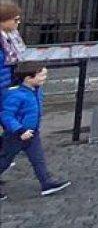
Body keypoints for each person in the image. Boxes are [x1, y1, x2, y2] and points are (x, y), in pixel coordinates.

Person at [0, 62, 71, 200]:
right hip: (16, 135)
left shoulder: (35, 91)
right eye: (41, 75)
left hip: (32, 133)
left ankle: (46, 183)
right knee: (4, 160)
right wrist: (19, 131)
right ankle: (46, 182)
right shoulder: (16, 94)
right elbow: (6, 115)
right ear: (28, 78)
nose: (44, 78)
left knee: (38, 160)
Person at [0, 3, 27, 106]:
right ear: (3, 21)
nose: (18, 22)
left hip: (11, 82)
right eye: (15, 20)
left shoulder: (13, 36)